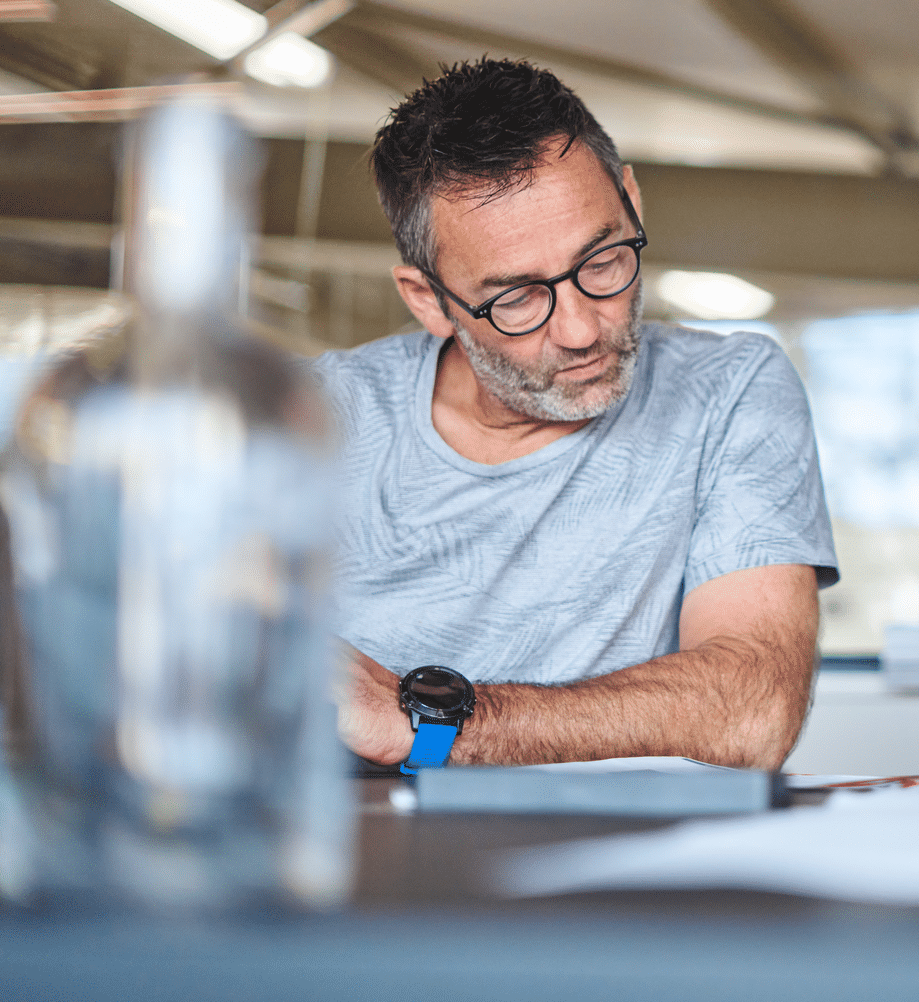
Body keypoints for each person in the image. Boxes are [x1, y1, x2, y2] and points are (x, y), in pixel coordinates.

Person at [321, 58, 836, 771]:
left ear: (631, 201)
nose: (581, 329)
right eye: (519, 297)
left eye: (601, 260)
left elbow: (752, 710)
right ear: (429, 300)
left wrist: (426, 725)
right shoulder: (308, 421)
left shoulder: (729, 391)